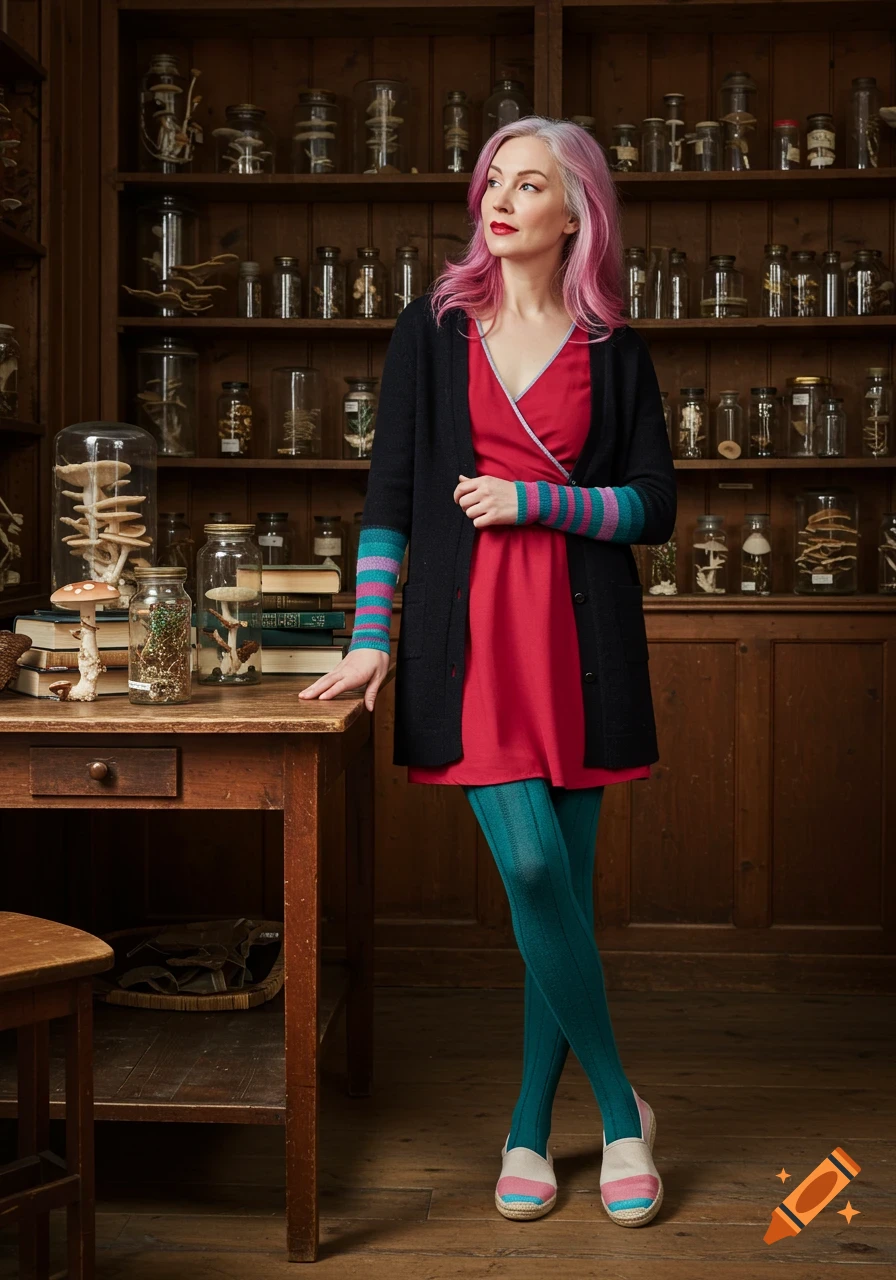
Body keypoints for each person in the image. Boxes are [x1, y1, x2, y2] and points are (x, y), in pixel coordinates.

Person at [299, 115, 676, 1228]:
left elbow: (655, 507)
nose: (498, 201)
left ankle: (523, 1124)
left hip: (583, 645)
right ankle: (618, 1109)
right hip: (468, 644)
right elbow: (389, 497)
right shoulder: (433, 328)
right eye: (490, 182)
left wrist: (536, 500)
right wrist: (372, 638)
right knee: (524, 867)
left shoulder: (617, 350)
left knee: (556, 888)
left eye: (527, 185)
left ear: (577, 214)